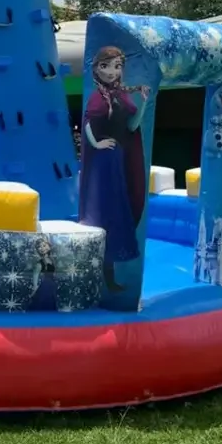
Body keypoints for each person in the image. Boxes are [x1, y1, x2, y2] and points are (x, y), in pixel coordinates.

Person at [79, 45, 150, 292]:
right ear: (97, 68)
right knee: (106, 214)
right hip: (104, 162)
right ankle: (103, 275)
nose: (112, 71)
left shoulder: (120, 94)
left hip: (118, 159)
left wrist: (143, 106)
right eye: (106, 66)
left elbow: (131, 126)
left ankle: (108, 275)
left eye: (117, 66)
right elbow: (88, 121)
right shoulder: (98, 96)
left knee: (119, 212)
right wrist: (96, 143)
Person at [28, 236, 57, 311]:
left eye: (44, 245)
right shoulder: (40, 263)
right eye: (39, 247)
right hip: (45, 286)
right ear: (37, 249)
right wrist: (35, 288)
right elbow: (35, 275)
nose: (42, 248)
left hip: (51, 286)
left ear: (48, 246)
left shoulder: (51, 259)